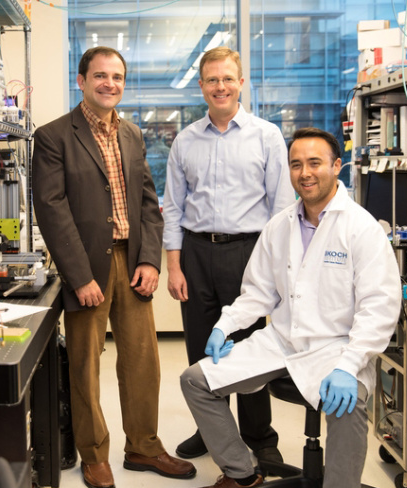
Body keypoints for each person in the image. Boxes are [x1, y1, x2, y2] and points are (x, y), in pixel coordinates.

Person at [180, 127, 401, 488]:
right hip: (281, 342)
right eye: (296, 164)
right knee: (195, 381)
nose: (305, 173)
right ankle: (242, 472)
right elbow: (258, 292)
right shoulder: (279, 225)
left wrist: (349, 366)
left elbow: (379, 308)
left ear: (337, 166)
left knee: (348, 406)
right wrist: (226, 324)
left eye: (315, 163)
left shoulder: (361, 228)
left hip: (338, 348)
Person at [32, 46, 196, 488]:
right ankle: (94, 454)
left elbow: (148, 202)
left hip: (132, 261)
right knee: (85, 363)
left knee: (143, 361)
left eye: (118, 77)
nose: (110, 84)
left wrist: (150, 261)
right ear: (81, 80)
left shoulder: (132, 134)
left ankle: (143, 445)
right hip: (86, 265)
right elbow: (51, 209)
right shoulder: (53, 136)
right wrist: (79, 275)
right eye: (101, 75)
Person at [162, 46, 295, 466]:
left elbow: (281, 208)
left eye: (228, 79)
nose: (221, 86)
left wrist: (275, 268)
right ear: (201, 86)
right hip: (197, 251)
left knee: (250, 345)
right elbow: (173, 208)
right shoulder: (185, 140)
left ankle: (260, 437)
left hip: (248, 251)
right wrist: (174, 265)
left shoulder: (266, 135)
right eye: (212, 79)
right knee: (202, 346)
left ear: (241, 83)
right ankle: (210, 429)